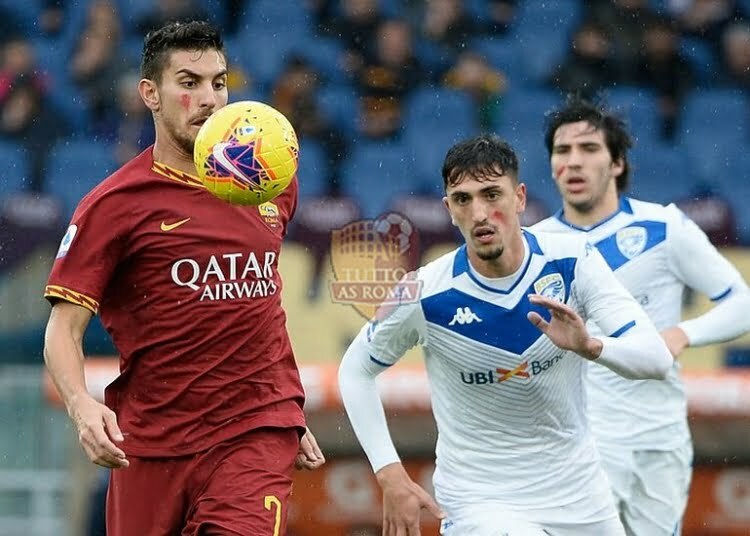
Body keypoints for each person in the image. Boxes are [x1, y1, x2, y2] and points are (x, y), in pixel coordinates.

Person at [43, 20, 324, 536]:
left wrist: (285, 408)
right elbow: (64, 329)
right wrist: (82, 404)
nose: (209, 99)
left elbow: (261, 300)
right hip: (152, 441)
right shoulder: (114, 206)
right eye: (189, 83)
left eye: (218, 82)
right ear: (150, 93)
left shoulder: (271, 181)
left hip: (255, 429)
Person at [338, 134, 673, 536]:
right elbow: (355, 370)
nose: (480, 213)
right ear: (448, 209)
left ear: (520, 197)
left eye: (492, 194)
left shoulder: (574, 260)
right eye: (463, 199)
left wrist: (591, 346)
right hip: (480, 500)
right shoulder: (423, 293)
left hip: (579, 494)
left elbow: (657, 359)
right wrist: (390, 474)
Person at [531, 97, 750, 535]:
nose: (573, 162)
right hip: (580, 441)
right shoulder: (535, 247)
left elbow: (741, 303)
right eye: (562, 150)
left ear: (617, 163)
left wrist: (682, 333)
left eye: (588, 149)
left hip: (658, 436)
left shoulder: (664, 228)